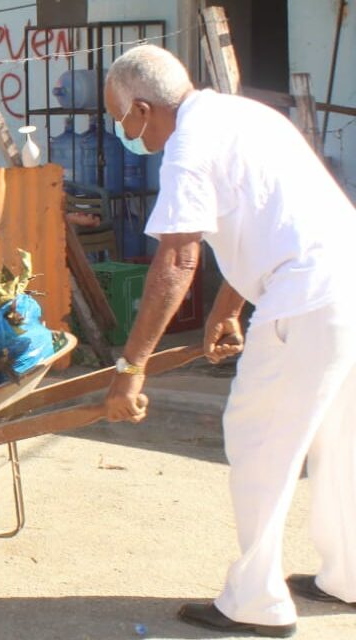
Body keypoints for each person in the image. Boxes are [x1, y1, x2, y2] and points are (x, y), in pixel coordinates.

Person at [102, 45, 356, 638]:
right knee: (339, 441)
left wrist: (130, 366)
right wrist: (227, 309)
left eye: (121, 119)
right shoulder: (247, 116)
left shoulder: (189, 148)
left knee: (260, 439)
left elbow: (178, 256)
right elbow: (264, 215)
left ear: (143, 107)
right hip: (344, 281)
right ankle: (346, 575)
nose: (123, 132)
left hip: (308, 298)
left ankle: (255, 603)